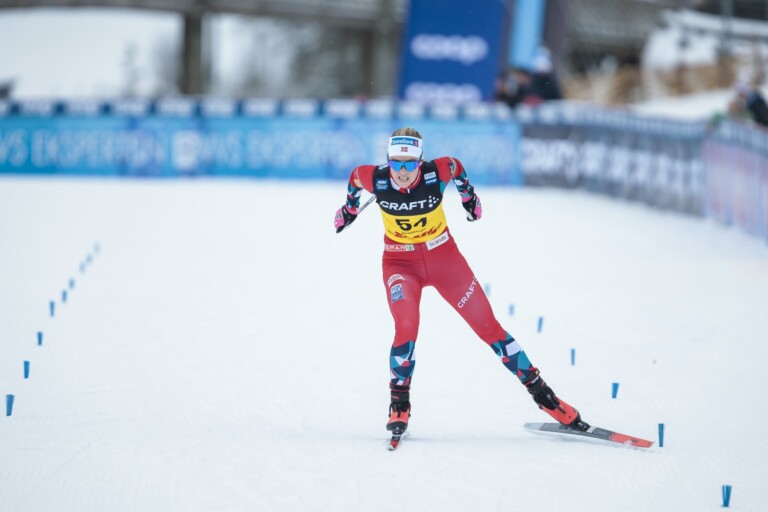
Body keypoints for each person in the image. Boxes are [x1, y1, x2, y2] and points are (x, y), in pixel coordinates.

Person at [333, 128, 589, 438]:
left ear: (420, 162)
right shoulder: (374, 177)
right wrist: (349, 209)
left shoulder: (437, 172)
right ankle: (399, 404)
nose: (402, 171)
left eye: (410, 164)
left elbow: (456, 167)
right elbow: (355, 178)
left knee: (489, 328)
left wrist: (469, 197)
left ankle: (546, 398)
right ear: (388, 161)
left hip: (445, 260)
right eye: (396, 163)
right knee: (406, 326)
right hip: (401, 264)